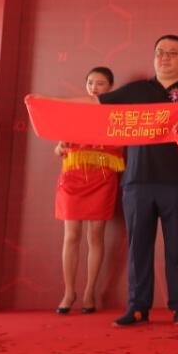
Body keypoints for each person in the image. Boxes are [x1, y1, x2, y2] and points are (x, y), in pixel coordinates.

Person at [96, 35, 178, 326]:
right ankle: (137, 306)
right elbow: (96, 105)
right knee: (138, 247)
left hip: (177, 180)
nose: (165, 58)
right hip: (137, 181)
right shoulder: (137, 89)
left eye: (172, 53)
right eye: (160, 52)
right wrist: (49, 104)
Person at [53, 67, 124, 315]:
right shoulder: (73, 112)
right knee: (71, 236)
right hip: (73, 177)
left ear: (110, 87)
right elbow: (59, 146)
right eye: (91, 83)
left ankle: (89, 292)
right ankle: (68, 292)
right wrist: (60, 148)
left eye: (100, 83)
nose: (94, 88)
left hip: (102, 178)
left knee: (95, 237)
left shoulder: (116, 115)